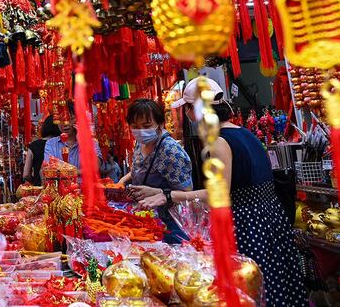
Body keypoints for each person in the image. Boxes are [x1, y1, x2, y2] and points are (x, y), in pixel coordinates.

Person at [138, 77, 306, 307]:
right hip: (270, 221)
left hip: (247, 226)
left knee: (250, 291)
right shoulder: (245, 134)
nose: (187, 117)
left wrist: (169, 195)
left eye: (187, 109)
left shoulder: (218, 142)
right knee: (278, 286)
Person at [119, 98, 193, 243]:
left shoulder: (171, 151)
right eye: (135, 126)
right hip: (146, 219)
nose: (140, 132)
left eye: (146, 125)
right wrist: (123, 180)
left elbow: (188, 194)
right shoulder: (140, 144)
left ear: (160, 123)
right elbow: (141, 167)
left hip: (171, 224)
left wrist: (157, 193)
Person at [42, 101, 103, 172]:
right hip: (61, 183)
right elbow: (49, 169)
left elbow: (95, 167)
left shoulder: (91, 141)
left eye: (70, 118)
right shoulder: (51, 143)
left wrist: (82, 141)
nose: (65, 123)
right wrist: (78, 172)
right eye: (61, 119)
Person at [22, 115, 61, 185]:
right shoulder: (61, 144)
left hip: (40, 188)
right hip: (60, 186)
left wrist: (35, 181)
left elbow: (26, 174)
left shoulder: (33, 146)